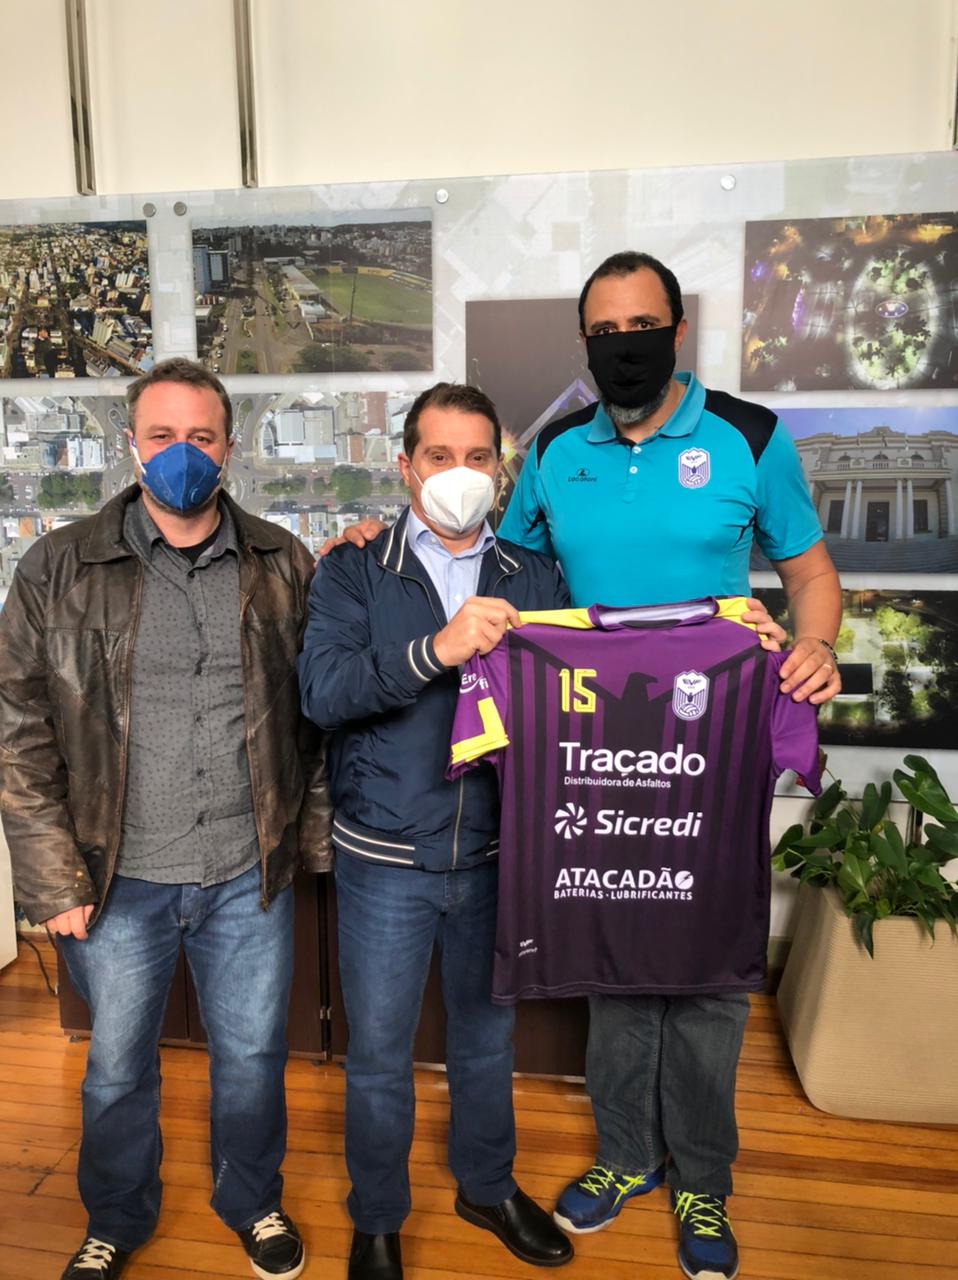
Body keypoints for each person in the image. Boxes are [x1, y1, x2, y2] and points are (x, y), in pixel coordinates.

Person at [326, 252, 842, 1280]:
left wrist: (812, 643)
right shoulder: (559, 450)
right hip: (589, 748)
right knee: (611, 945)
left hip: (712, 740)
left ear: (677, 329)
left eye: (641, 326)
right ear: (585, 344)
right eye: (604, 333)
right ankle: (623, 1153)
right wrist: (378, 538)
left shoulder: (751, 436)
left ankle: (702, 1175)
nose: (624, 346)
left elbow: (811, 571)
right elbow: (496, 568)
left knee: (708, 965)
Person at [0, 358, 330, 1280]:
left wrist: (306, 844)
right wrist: (53, 879)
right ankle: (115, 1216)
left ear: (228, 447)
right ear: (131, 445)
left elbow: (316, 716)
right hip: (116, 877)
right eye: (162, 434)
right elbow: (17, 727)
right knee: (115, 1070)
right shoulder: (57, 566)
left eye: (202, 436)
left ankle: (252, 1202)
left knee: (253, 1057)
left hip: (246, 871)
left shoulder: (282, 563)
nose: (183, 452)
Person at [298, 383, 574, 1280]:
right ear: (407, 466)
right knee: (379, 1055)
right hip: (385, 858)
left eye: (479, 457)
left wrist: (730, 629)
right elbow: (324, 693)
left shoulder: (534, 576)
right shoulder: (354, 570)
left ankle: (486, 1187)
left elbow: (584, 688)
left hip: (495, 854)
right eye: (441, 456)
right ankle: (377, 1218)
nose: (462, 473)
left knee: (487, 1043)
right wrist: (437, 650)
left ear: (502, 467)